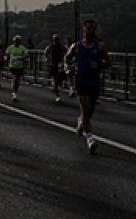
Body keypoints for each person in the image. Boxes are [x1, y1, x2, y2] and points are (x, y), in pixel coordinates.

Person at [66, 19, 111, 154]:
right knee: (85, 109)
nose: (91, 31)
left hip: (94, 81)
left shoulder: (100, 46)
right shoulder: (77, 46)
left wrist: (100, 65)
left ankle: (82, 121)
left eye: (93, 29)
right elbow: (67, 58)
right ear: (84, 30)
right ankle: (90, 139)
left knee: (90, 110)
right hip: (81, 80)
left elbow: (108, 61)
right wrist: (68, 68)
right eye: (88, 28)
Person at [43, 34, 67, 103]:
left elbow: (67, 52)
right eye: (55, 39)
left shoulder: (62, 46)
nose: (56, 40)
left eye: (57, 39)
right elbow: (45, 52)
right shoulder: (50, 46)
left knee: (61, 78)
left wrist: (65, 59)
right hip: (53, 64)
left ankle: (56, 87)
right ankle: (57, 96)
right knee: (56, 79)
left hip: (60, 63)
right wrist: (47, 59)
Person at [5, 35, 28, 102]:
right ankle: (14, 94)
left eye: (18, 41)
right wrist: (6, 59)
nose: (17, 42)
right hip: (13, 66)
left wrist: (24, 56)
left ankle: (15, 91)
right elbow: (7, 54)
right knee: (15, 78)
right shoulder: (10, 47)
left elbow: (26, 53)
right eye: (16, 41)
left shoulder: (22, 48)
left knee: (17, 80)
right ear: (14, 41)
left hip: (20, 66)